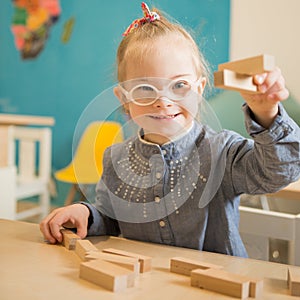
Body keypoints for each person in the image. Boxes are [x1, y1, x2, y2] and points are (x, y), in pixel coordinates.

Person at [40, 2, 300, 257]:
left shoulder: (221, 151)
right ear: (124, 99)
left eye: (179, 86)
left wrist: (267, 114)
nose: (163, 102)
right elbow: (111, 219)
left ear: (199, 90)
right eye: (144, 89)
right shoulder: (115, 159)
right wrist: (87, 214)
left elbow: (279, 171)